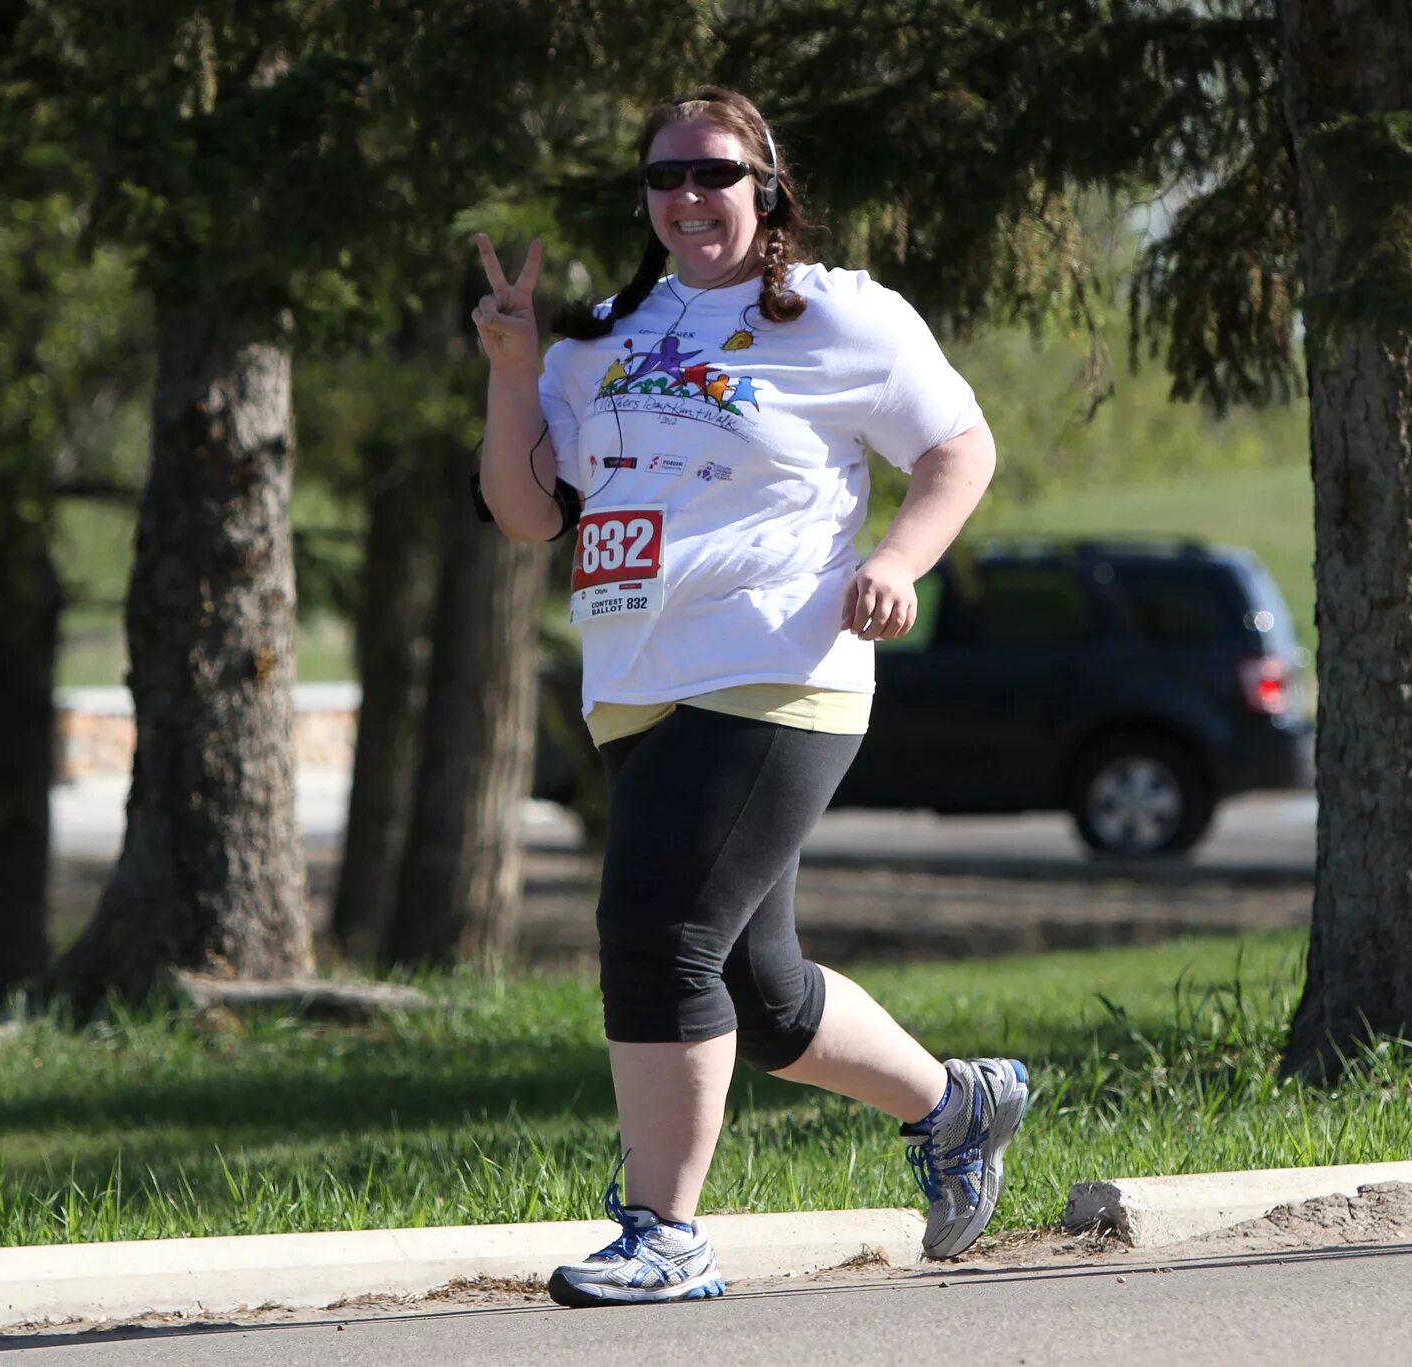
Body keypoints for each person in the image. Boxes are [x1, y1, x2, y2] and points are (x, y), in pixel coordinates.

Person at [471, 85, 1021, 1309]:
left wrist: (892, 561)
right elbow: (524, 512)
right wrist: (512, 369)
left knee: (657, 931)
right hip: (634, 682)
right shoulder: (594, 338)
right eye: (664, 178)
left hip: (780, 663)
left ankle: (664, 1229)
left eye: (713, 175)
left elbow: (957, 449)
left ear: (764, 189)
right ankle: (956, 1104)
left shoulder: (842, 315)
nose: (687, 199)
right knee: (759, 994)